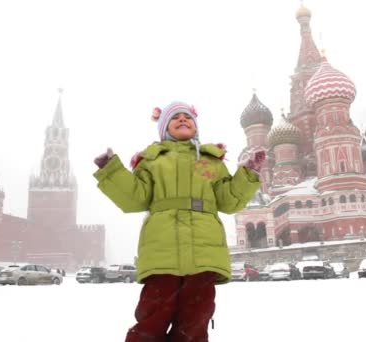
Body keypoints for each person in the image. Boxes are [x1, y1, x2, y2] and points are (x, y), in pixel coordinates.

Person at [93, 101, 264, 342]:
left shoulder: (211, 161)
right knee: (153, 314)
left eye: (187, 117)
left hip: (204, 253)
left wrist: (248, 175)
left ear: (196, 127)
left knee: (196, 318)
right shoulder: (152, 161)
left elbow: (229, 201)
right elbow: (134, 198)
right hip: (162, 253)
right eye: (175, 118)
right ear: (164, 129)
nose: (182, 120)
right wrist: (111, 170)